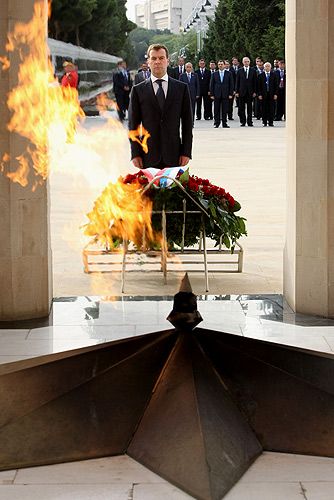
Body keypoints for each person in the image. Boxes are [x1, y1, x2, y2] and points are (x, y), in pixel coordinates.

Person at [128, 44, 193, 170]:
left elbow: (187, 124)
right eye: (153, 58)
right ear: (148, 62)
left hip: (174, 154)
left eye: (161, 58)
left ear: (167, 61)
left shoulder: (181, 89)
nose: (157, 62)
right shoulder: (138, 90)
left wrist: (186, 151)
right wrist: (135, 154)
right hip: (147, 155)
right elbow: (133, 125)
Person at [209, 60, 234, 128]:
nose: (220, 65)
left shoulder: (229, 73)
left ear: (224, 65)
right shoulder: (214, 74)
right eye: (219, 64)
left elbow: (231, 84)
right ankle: (216, 123)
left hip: (226, 94)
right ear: (217, 65)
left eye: (221, 64)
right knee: (216, 109)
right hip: (217, 94)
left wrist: (231, 94)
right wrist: (212, 94)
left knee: (225, 109)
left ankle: (224, 123)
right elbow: (212, 85)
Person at [235, 56, 257, 127]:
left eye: (247, 61)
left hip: (250, 92)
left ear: (249, 62)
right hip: (241, 92)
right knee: (241, 108)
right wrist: (236, 92)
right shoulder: (239, 71)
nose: (246, 63)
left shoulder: (253, 70)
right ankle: (243, 121)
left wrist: (254, 92)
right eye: (245, 61)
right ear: (242, 62)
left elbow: (255, 82)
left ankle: (250, 121)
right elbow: (237, 82)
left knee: (250, 108)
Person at [257, 62, 278, 126]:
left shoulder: (274, 75)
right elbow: (258, 86)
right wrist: (259, 94)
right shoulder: (261, 75)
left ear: (270, 67)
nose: (267, 67)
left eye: (268, 66)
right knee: (264, 108)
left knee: (271, 108)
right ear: (264, 67)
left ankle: (271, 121)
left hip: (271, 94)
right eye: (266, 66)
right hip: (263, 95)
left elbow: (276, 85)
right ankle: (264, 121)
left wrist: (275, 94)